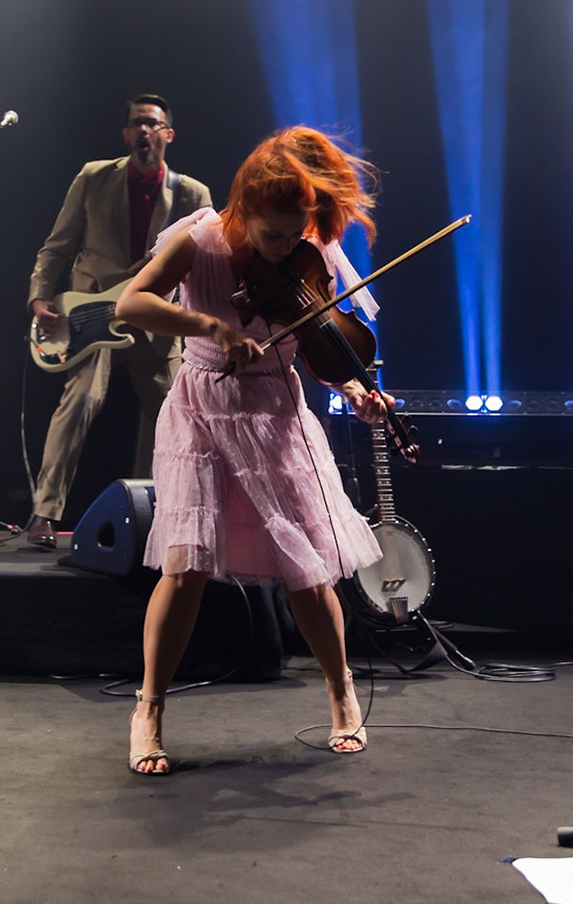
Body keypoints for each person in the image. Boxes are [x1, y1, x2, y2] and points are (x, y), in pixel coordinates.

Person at [112, 126, 393, 775]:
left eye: (297, 235)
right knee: (184, 566)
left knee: (307, 566)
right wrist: (208, 324)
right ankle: (148, 707)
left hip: (275, 413)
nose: (287, 247)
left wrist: (353, 386)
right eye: (274, 236)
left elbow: (322, 345)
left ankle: (341, 690)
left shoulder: (309, 247)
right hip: (203, 410)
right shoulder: (199, 241)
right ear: (243, 212)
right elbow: (131, 303)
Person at [26, 95, 213, 548]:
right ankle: (44, 514)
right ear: (126, 134)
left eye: (153, 124)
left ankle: (156, 516)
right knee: (80, 401)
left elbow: (204, 268)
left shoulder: (192, 194)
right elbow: (57, 246)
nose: (144, 131)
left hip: (152, 316)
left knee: (177, 413)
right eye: (136, 124)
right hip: (90, 315)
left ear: (168, 134)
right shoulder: (93, 178)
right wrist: (39, 298)